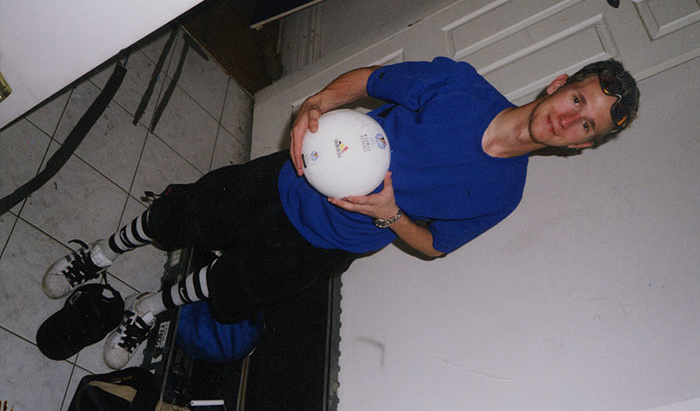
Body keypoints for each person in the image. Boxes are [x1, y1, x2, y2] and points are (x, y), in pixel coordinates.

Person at [41, 56, 639, 369]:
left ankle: (149, 308)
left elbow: (434, 245)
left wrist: (391, 214)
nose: (568, 118)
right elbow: (371, 79)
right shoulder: (460, 86)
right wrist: (318, 101)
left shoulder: (504, 194)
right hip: (285, 181)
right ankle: (96, 255)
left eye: (585, 125)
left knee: (228, 284)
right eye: (577, 99)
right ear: (560, 83)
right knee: (183, 215)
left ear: (580, 146)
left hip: (326, 248)